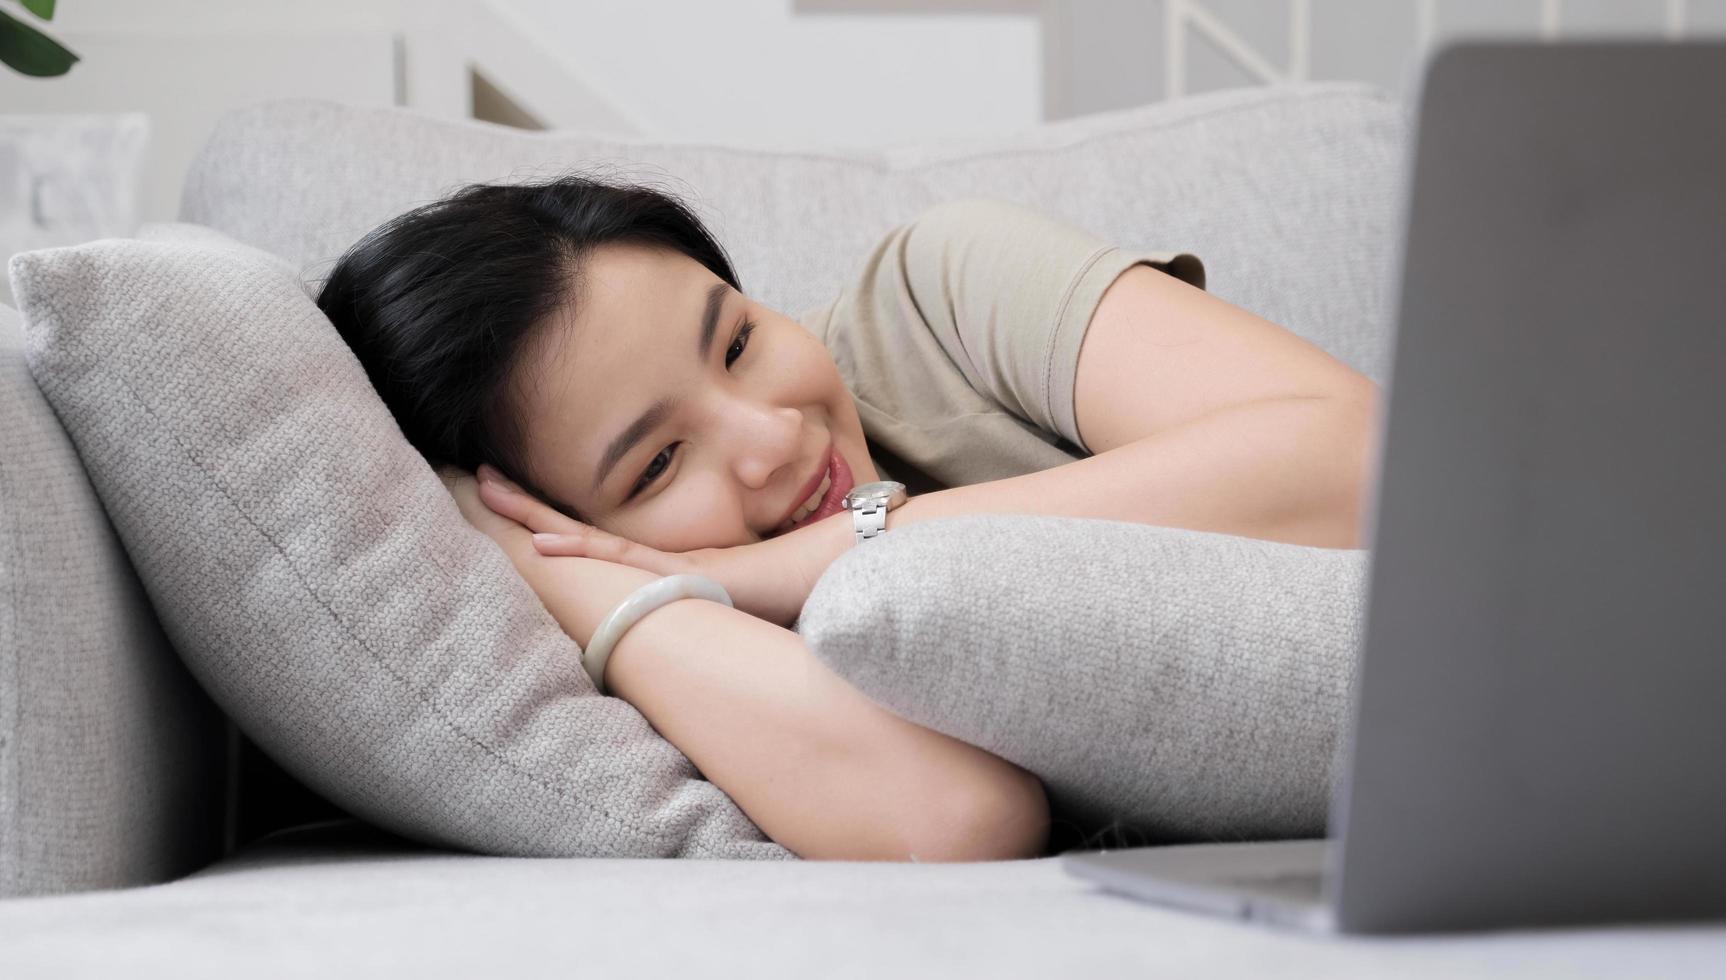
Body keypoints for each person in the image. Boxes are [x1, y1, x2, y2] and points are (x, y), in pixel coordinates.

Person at [315, 176, 1380, 864]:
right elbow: (956, 819)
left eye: (735, 341)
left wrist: (834, 545)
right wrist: (583, 585)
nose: (772, 438)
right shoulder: (672, 649)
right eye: (656, 461)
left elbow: (1363, 461)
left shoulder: (940, 297)